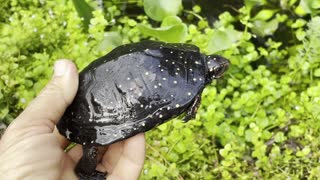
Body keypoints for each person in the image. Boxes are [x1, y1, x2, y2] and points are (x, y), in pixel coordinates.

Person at [0, 60, 146, 180]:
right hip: (80, 120)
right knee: (91, 151)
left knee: (93, 150)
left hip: (88, 119)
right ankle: (83, 172)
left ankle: (83, 171)